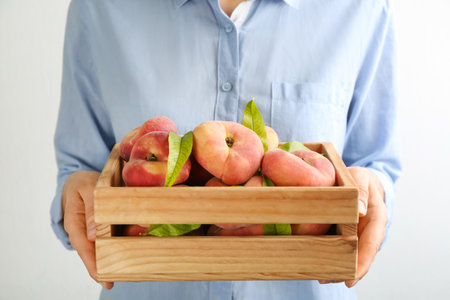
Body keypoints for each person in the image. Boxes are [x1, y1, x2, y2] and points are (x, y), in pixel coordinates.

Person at [51, 0, 402, 299]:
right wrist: (77, 191)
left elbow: (373, 162)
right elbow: (82, 166)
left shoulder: (360, 8)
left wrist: (372, 190)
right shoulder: (100, 8)